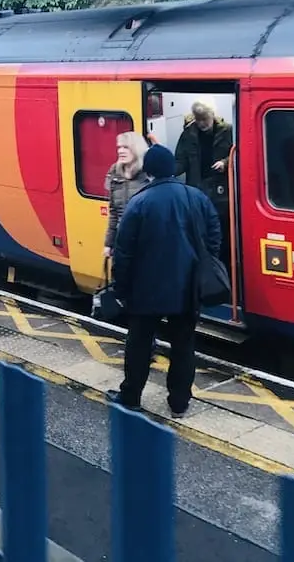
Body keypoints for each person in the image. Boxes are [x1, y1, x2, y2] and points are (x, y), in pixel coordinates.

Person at [106, 144, 221, 418]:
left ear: (149, 170)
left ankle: (131, 396)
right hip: (187, 287)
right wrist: (203, 263)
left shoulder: (139, 202)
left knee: (140, 344)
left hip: (147, 290)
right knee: (184, 345)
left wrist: (120, 288)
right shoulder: (197, 197)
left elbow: (124, 252)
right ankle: (179, 403)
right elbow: (214, 234)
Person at [174, 101, 233, 264]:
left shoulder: (227, 130)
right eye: (198, 120)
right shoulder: (188, 134)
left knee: (221, 232)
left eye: (205, 119)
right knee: (199, 231)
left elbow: (239, 154)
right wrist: (168, 172)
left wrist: (226, 163)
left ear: (212, 115)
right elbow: (181, 160)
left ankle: (222, 265)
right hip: (196, 189)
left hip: (221, 191)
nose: (202, 124)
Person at [102, 131, 151, 257]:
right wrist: (109, 243)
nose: (120, 151)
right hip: (122, 240)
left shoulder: (148, 174)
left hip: (145, 241)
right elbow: (113, 212)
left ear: (137, 149)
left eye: (126, 147)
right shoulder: (115, 172)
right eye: (119, 147)